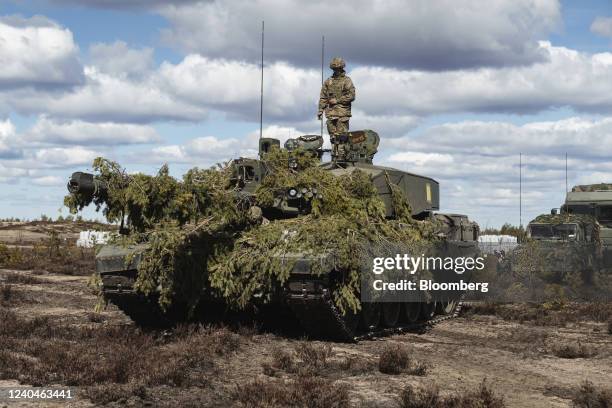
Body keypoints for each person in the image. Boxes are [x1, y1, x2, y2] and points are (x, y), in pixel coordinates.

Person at [318, 57, 355, 143]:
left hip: (342, 114)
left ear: (341, 68)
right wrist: (320, 110)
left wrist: (337, 100)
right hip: (331, 114)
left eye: (338, 68)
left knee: (342, 139)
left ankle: (341, 156)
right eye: (334, 69)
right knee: (333, 139)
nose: (336, 70)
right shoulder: (328, 81)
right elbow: (323, 97)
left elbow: (351, 96)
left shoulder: (347, 81)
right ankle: (335, 155)